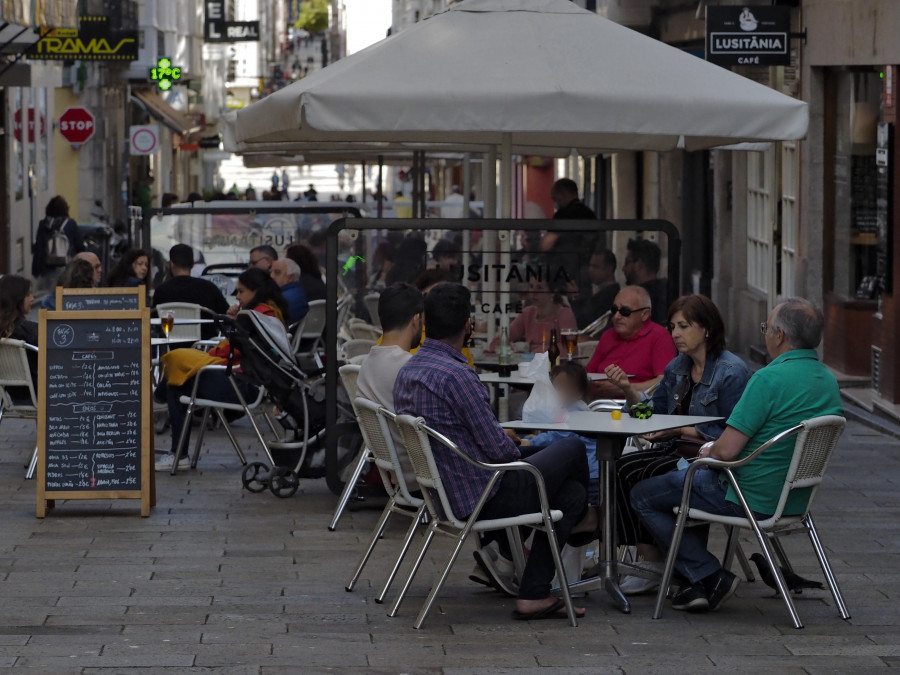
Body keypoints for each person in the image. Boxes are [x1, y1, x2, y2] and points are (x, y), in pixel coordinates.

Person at [394, 283, 595, 620]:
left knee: (569, 495)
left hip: (441, 492)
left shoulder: (408, 372)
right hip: (483, 493)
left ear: (425, 322)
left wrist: (514, 442)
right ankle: (590, 519)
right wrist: (516, 441)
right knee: (572, 445)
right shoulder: (458, 375)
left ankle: (534, 595)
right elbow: (500, 453)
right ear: (468, 325)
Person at [631, 298, 843, 613]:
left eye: (766, 329)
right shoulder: (827, 380)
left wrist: (703, 447)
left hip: (746, 494)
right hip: (795, 498)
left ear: (780, 335)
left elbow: (727, 450)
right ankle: (694, 578)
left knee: (643, 494)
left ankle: (708, 574)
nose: (765, 336)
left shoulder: (767, 379)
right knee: (674, 479)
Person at [604, 294, 751, 595]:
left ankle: (669, 564)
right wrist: (629, 391)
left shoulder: (731, 372)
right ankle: (651, 559)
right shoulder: (677, 368)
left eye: (684, 326)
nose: (676, 334)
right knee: (621, 467)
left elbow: (732, 433)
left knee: (640, 475)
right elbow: (649, 414)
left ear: (707, 328)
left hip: (708, 458)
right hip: (675, 450)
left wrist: (679, 428)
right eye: (672, 327)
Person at [156, 268, 289, 472]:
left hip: (243, 386)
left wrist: (233, 325)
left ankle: (178, 453)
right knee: (181, 370)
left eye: (241, 291)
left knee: (177, 384)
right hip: (258, 384)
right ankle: (162, 399)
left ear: (256, 291)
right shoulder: (269, 312)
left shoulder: (254, 316)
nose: (237, 296)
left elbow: (232, 349)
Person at [356, 283, 424, 485]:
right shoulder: (409, 368)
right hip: (425, 475)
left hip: (398, 473)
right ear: (416, 319)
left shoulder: (367, 363)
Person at [520, 361, 600, 504]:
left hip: (590, 472)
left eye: (565, 387)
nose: (558, 392)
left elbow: (556, 437)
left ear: (578, 393)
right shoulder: (567, 409)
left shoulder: (576, 412)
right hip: (588, 470)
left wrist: (529, 442)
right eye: (556, 387)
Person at [586, 285, 676, 398]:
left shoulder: (659, 336)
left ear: (645, 315)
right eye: (614, 310)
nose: (616, 316)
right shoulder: (608, 335)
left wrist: (625, 388)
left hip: (636, 408)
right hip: (597, 406)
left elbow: (665, 383)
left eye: (625, 311)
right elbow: (588, 374)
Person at [152, 244, 230, 339]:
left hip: (172, 349)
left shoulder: (161, 291)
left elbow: (154, 320)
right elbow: (226, 316)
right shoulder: (209, 288)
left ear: (171, 264)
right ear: (192, 264)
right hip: (204, 349)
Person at [488, 278, 577, 353]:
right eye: (531, 286)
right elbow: (502, 339)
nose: (533, 292)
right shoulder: (528, 313)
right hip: (531, 367)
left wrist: (533, 351)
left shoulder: (564, 314)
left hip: (560, 369)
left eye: (539, 288)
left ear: (553, 292)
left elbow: (569, 348)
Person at [0, 275, 38, 401]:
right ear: (18, 299)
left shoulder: (5, 329)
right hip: (41, 393)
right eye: (28, 295)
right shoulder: (29, 330)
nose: (32, 298)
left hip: (12, 394)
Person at [32, 195, 84, 283]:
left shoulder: (44, 224)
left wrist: (36, 270)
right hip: (68, 267)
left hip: (48, 268)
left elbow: (39, 249)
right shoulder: (71, 224)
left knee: (49, 294)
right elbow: (80, 246)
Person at [570, 248, 619, 329]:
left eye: (595, 267)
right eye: (590, 266)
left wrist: (574, 297)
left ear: (609, 269)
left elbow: (584, 320)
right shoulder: (600, 293)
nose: (590, 270)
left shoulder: (609, 296)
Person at [623, 239, 668, 326]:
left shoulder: (636, 299)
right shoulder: (667, 291)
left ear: (639, 264)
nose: (623, 269)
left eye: (627, 262)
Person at [270, 258, 309, 324]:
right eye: (270, 272)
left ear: (291, 278)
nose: (271, 276)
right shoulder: (298, 291)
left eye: (277, 272)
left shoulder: (284, 298)